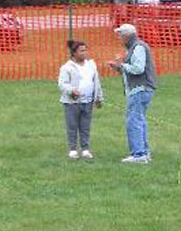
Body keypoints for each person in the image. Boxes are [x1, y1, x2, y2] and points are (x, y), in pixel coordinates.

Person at [107, 24, 155, 164]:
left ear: (127, 36)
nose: (119, 38)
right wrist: (120, 67)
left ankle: (139, 154)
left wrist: (121, 65)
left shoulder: (138, 47)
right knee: (139, 120)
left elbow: (138, 69)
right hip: (141, 89)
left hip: (139, 89)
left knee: (134, 121)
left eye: (120, 35)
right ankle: (144, 152)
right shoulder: (135, 47)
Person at [58, 40, 103, 159]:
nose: (84, 53)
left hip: (87, 102)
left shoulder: (91, 65)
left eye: (85, 50)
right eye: (81, 51)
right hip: (72, 102)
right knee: (72, 125)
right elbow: (62, 84)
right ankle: (73, 149)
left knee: (85, 126)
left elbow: (96, 83)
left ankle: (85, 149)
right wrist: (72, 90)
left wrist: (98, 98)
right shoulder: (67, 67)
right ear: (74, 53)